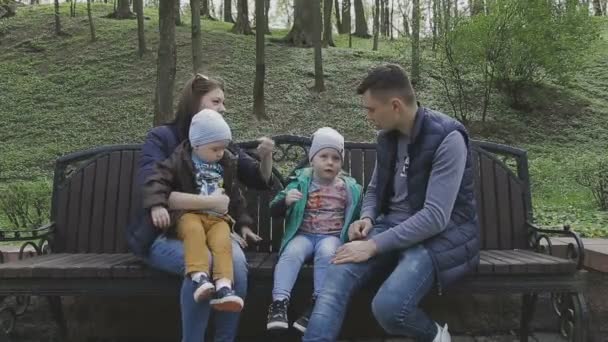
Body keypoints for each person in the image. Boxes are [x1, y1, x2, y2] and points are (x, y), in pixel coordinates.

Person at [302, 64, 480, 342]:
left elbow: (435, 217)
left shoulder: (448, 138)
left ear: (395, 105)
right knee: (336, 273)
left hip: (438, 238)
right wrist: (368, 218)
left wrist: (372, 246)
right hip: (389, 227)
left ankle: (437, 336)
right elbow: (374, 189)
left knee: (389, 307)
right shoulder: (387, 138)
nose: (368, 116)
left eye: (371, 109)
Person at [127, 74, 275, 342]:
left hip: (213, 230)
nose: (223, 108)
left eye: (223, 102)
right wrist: (211, 204)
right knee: (203, 263)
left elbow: (256, 179)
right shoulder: (162, 138)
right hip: (164, 233)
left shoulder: (220, 142)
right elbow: (152, 186)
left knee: (237, 265)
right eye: (216, 101)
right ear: (195, 102)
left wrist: (266, 157)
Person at [143, 109, 248, 311]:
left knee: (222, 242)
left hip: (217, 219)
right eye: (215, 149)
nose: (220, 153)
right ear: (196, 145)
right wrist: (157, 204)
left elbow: (235, 197)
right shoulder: (179, 159)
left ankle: (224, 286)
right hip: (189, 215)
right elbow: (157, 180)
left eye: (223, 148)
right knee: (194, 232)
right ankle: (200, 277)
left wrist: (243, 223)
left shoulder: (225, 163)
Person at [266, 127, 362, 334]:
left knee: (328, 253)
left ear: (341, 163)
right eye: (324, 156)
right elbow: (273, 210)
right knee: (291, 253)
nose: (330, 162)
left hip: (332, 237)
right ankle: (279, 303)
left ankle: (318, 305)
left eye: (336, 158)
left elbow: (359, 215)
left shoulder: (349, 188)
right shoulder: (300, 183)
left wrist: (357, 231)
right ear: (312, 160)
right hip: (303, 235)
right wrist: (285, 201)